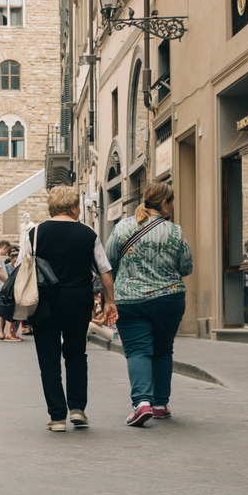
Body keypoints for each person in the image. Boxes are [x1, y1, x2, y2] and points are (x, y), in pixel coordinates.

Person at [31, 184, 117, 431]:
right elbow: (104, 270)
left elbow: (23, 271)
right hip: (78, 302)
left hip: (44, 304)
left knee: (48, 360)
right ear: (73, 207)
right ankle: (78, 409)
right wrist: (110, 302)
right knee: (76, 355)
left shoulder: (34, 233)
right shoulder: (87, 233)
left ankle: (57, 416)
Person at [107, 179, 193, 425]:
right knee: (163, 350)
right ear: (165, 203)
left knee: (137, 351)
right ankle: (159, 404)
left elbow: (109, 261)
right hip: (169, 298)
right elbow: (186, 267)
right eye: (172, 201)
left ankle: (141, 402)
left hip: (130, 300)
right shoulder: (175, 231)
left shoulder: (123, 227)